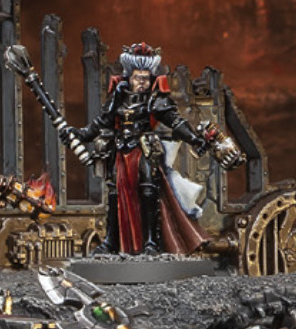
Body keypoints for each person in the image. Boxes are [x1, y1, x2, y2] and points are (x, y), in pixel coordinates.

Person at [70, 43, 244, 255]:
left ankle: (151, 242)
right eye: (137, 78)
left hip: (143, 150)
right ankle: (111, 242)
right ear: (129, 77)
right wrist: (81, 134)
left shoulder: (155, 99)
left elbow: (176, 122)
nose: (141, 82)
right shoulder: (118, 97)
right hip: (120, 152)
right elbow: (102, 122)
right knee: (115, 195)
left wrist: (194, 139)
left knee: (148, 193)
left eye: (145, 78)